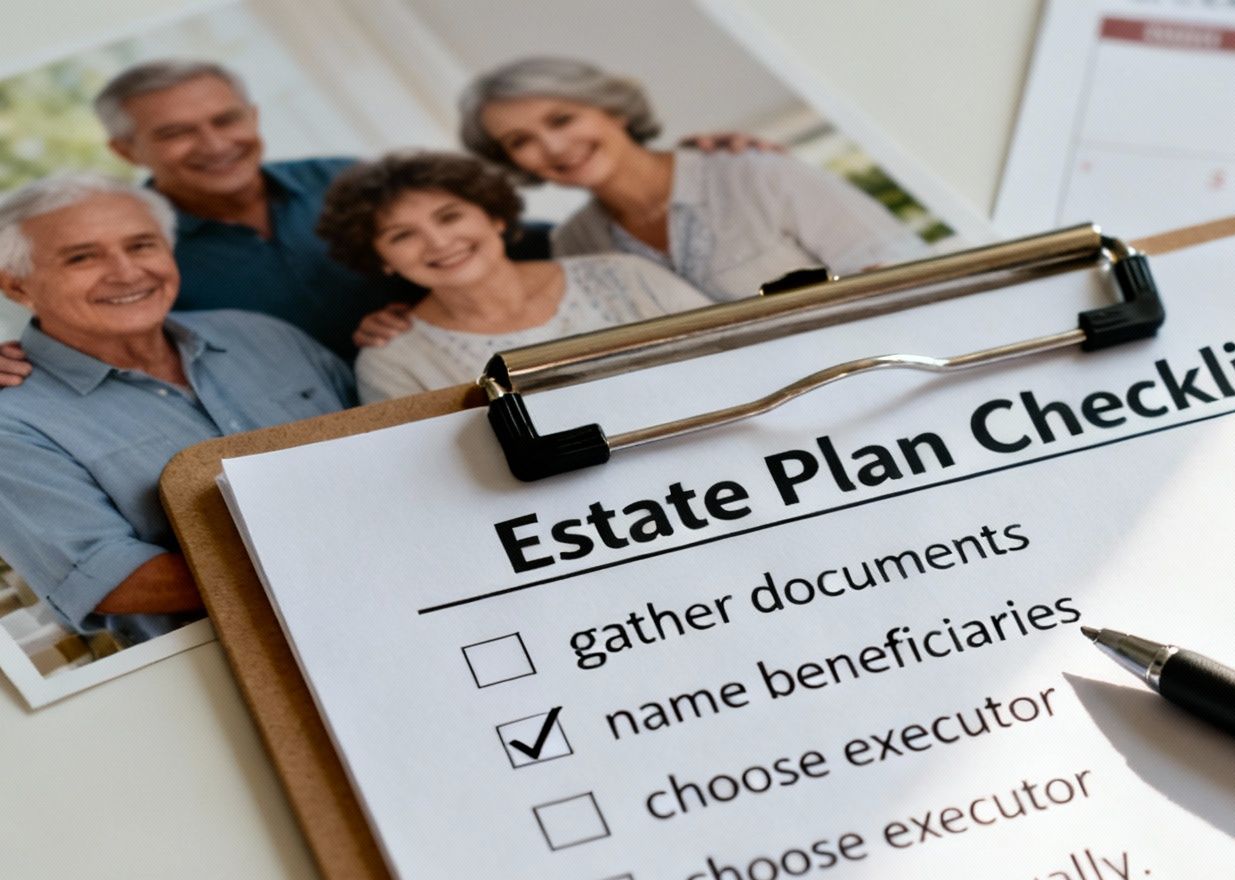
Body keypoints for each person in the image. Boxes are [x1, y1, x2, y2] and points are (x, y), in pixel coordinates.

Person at [0, 173, 354, 644]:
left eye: (142, 245)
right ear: (18, 287)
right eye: (81, 257)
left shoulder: (263, 336)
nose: (126, 272)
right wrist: (333, 565)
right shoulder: (13, 422)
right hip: (252, 660)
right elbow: (115, 582)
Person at [458, 57, 929, 301]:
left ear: (613, 109)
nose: (553, 148)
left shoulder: (755, 173)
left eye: (562, 119)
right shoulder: (574, 247)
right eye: (521, 140)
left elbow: (902, 270)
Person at [316, 151, 710, 403]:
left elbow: (735, 358)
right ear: (380, 259)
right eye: (402, 235)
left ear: (495, 216)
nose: (438, 242)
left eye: (449, 216)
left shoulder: (625, 276)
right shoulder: (391, 363)